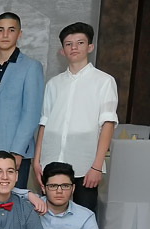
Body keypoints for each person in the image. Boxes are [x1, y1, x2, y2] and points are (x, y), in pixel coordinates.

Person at [34, 22, 118, 215]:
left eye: (80, 43)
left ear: (90, 47)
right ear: (62, 50)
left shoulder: (104, 81)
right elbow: (44, 123)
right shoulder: (53, 84)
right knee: (47, 216)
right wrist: (37, 161)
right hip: (51, 161)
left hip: (85, 165)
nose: (74, 47)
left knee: (83, 217)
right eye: (68, 44)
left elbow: (108, 124)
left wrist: (97, 166)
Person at [0, 12, 44, 192]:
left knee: (12, 203)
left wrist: (17, 151)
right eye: (0, 30)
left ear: (19, 34)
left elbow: (31, 113)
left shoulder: (31, 67)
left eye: (11, 30)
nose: (5, 35)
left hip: (14, 151)